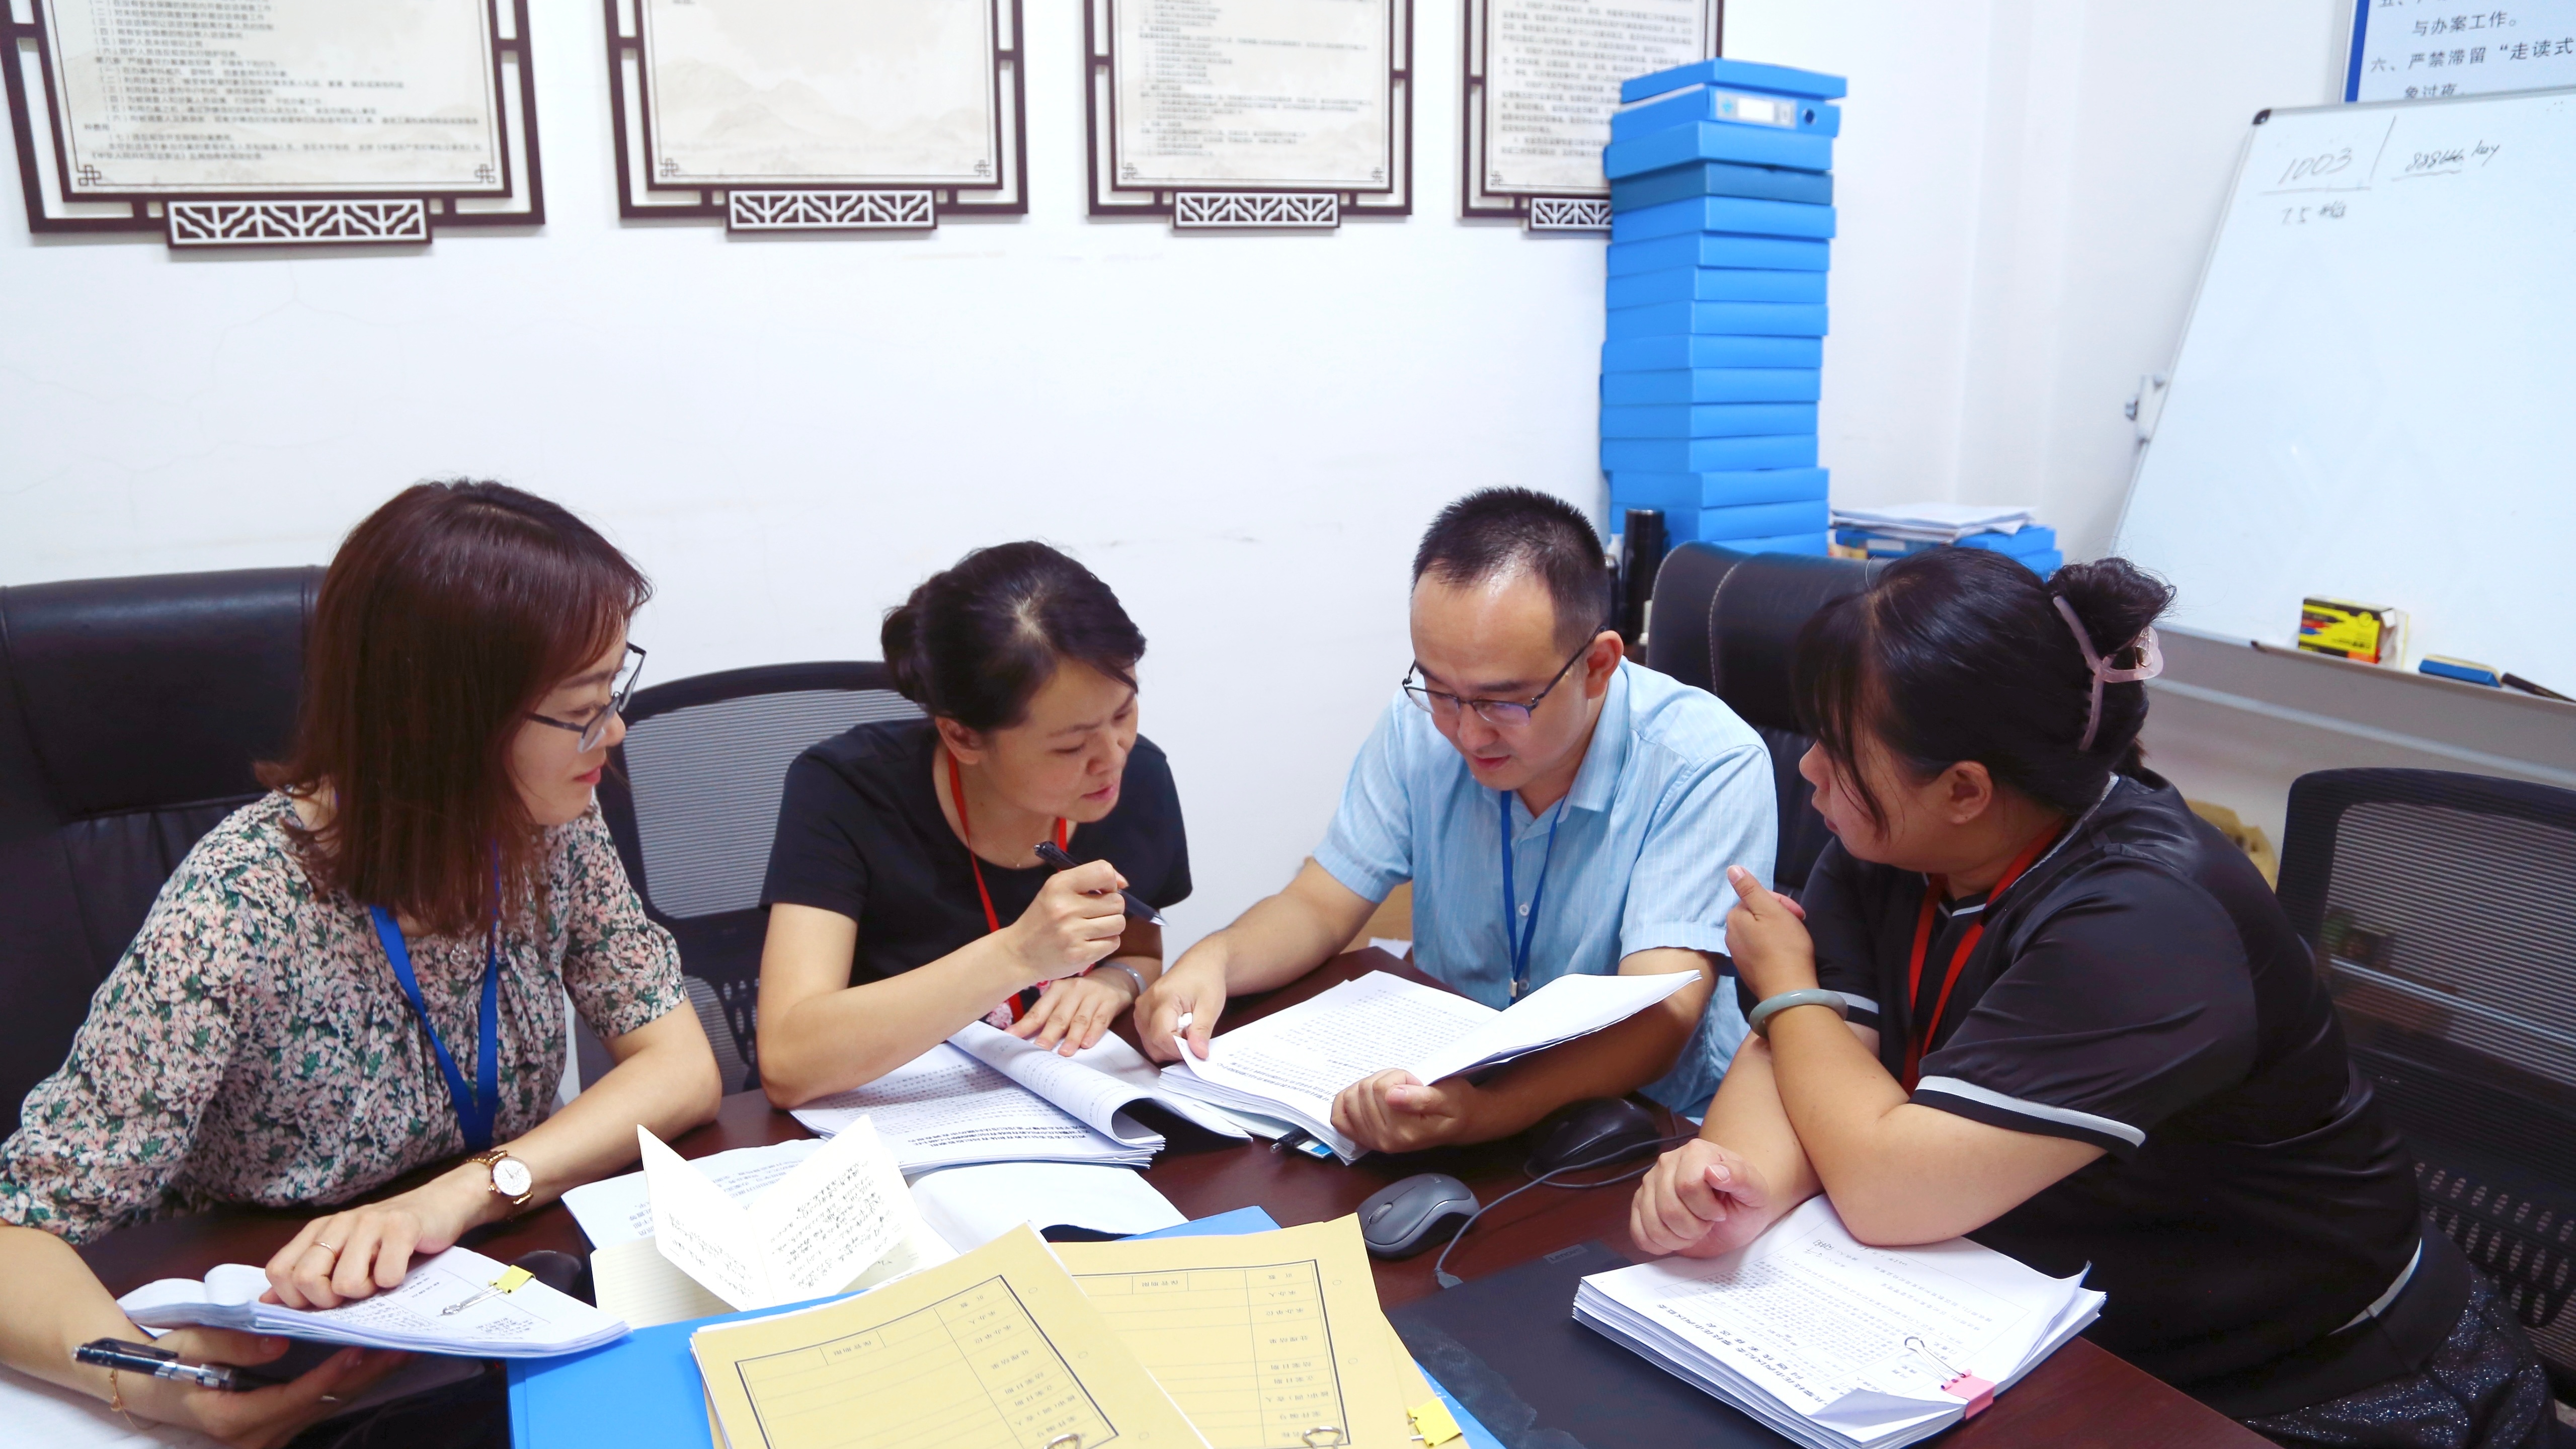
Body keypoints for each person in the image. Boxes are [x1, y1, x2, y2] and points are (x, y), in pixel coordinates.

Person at [1628, 547, 2547, 1447]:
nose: (1809, 771)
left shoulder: (2146, 921)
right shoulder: (1892, 844)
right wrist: (1732, 1181)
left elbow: (1887, 1189)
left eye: (1838, 749)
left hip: (2310, 1383)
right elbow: (1810, 1058)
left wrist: (1786, 985)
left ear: (1964, 789)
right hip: (2045, 1317)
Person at [0, 482, 723, 1448]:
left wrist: (459, 1195)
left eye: (609, 697)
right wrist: (160, 1389)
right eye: (583, 711)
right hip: (287, 1315)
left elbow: (680, 1065)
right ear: (452, 725)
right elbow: (16, 1232)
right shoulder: (238, 905)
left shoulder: (547, 827)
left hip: (492, 1288)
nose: (615, 734)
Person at [1137, 488, 1777, 1152]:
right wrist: (1213, 959)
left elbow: (1660, 1014)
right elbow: (1320, 904)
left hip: (1633, 1126)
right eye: (1440, 692)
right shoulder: (1417, 726)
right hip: (1446, 1090)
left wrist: (1487, 1114)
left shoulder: (1704, 763)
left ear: (1596, 666)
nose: (1467, 735)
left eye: (1503, 702)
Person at [756, 542, 1187, 1106]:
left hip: (1064, 1105)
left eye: (1124, 712)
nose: (1112, 756)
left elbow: (1140, 950)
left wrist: (1116, 981)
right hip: (890, 1116)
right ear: (962, 736)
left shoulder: (1136, 776)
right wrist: (1016, 956)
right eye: (1071, 745)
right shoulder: (846, 790)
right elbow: (788, 1061)